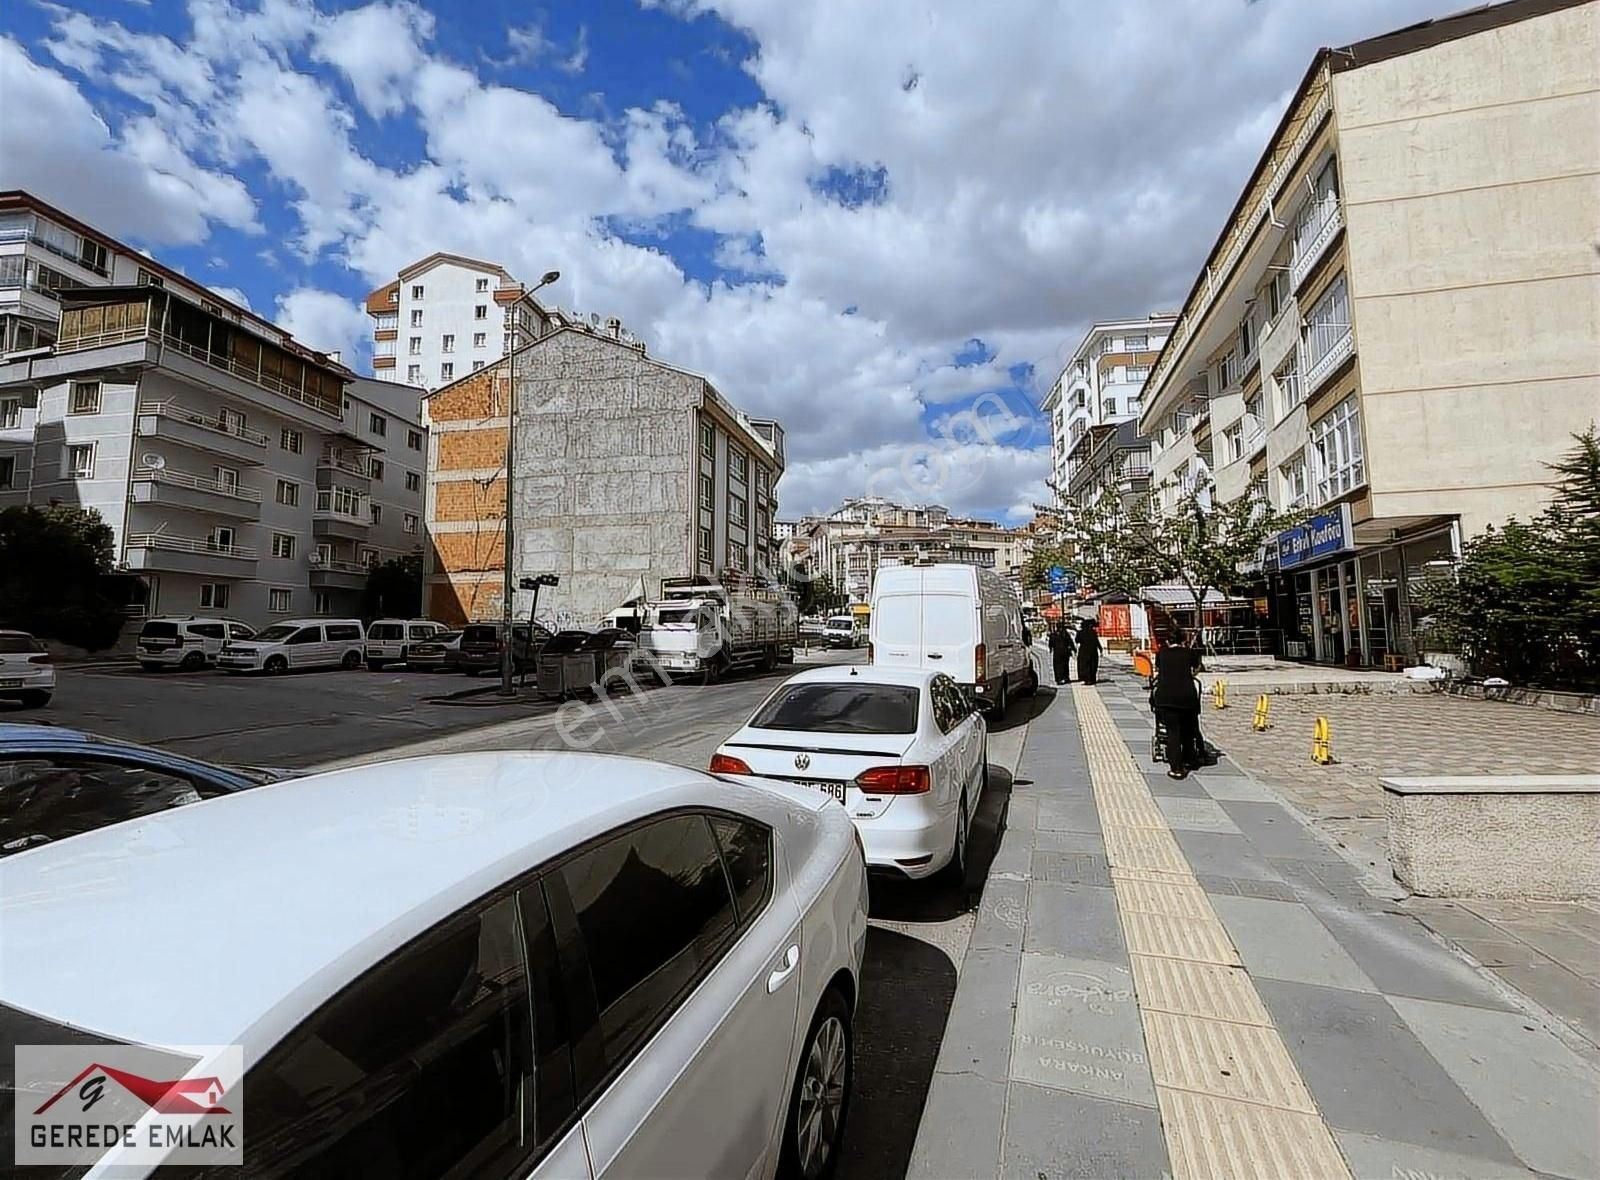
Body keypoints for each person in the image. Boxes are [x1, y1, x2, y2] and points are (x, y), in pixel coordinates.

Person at [1153, 626, 1205, 778]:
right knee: (1188, 730)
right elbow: (1198, 667)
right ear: (1183, 640)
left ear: (1168, 641)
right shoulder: (1189, 653)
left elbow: (1158, 670)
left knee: (1173, 733)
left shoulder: (1161, 654)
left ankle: (1176, 768)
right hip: (1186, 697)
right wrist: (1189, 675)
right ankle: (1191, 759)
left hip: (1165, 697)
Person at [1075, 617, 1101, 684]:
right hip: (1093, 650)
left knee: (1084, 665)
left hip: (1084, 650)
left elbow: (1077, 640)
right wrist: (1100, 648)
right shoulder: (1093, 632)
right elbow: (1096, 641)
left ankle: (1087, 679)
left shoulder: (1080, 632)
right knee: (1092, 664)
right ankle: (1092, 679)